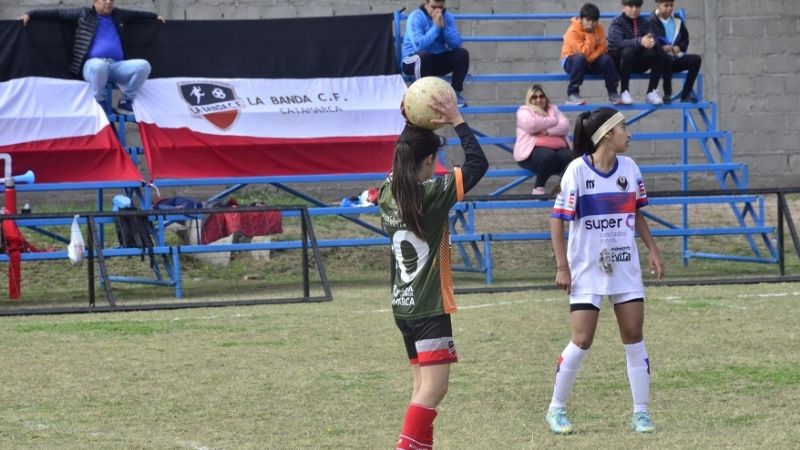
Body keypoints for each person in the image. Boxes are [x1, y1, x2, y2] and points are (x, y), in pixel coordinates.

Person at [546, 107, 665, 435]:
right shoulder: (576, 172)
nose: (629, 133)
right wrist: (562, 266)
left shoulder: (630, 168)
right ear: (607, 135)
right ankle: (556, 408)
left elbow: (637, 214)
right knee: (582, 339)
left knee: (634, 336)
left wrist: (652, 250)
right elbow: (557, 220)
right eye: (623, 127)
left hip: (625, 266)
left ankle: (641, 412)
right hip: (586, 270)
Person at [380, 92, 487, 449]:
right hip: (428, 307)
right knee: (434, 389)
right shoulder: (434, 193)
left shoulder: (386, 191)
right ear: (427, 161)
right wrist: (457, 119)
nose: (437, 166)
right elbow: (478, 163)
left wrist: (414, 119)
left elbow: (405, 152)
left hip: (403, 306)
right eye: (435, 159)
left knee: (420, 388)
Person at [19, 0, 166, 114]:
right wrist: (30, 14)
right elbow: (57, 13)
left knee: (143, 66)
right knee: (99, 66)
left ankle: (125, 102)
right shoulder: (84, 14)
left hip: (116, 66)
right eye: (104, 0)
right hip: (91, 67)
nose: (108, 2)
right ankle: (100, 102)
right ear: (94, 2)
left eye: (111, 0)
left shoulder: (119, 15)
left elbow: (138, 15)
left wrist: (155, 16)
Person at [401, 0, 470, 107]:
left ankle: (454, 95)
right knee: (423, 56)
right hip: (413, 60)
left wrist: (444, 28)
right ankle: (424, 97)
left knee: (462, 54)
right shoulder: (415, 17)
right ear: (426, 4)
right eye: (433, 7)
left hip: (435, 60)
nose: (437, 11)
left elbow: (456, 44)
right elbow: (419, 46)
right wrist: (436, 27)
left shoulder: (447, 17)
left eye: (440, 7)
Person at [513, 84, 572, 196]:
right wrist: (554, 121)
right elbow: (531, 125)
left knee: (571, 156)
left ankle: (564, 189)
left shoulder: (553, 109)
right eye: (534, 97)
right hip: (531, 152)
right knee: (548, 156)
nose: (539, 99)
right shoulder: (523, 111)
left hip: (557, 150)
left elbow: (565, 126)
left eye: (541, 96)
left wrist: (548, 131)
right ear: (529, 99)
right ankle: (538, 188)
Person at [561, 3, 622, 105]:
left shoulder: (599, 28)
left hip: (590, 61)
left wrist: (591, 58)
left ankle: (613, 92)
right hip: (571, 61)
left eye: (594, 21)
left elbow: (602, 47)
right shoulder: (573, 31)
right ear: (581, 19)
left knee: (607, 59)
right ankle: (572, 94)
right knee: (580, 59)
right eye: (588, 20)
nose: (591, 24)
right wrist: (589, 35)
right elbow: (583, 52)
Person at [607, 0, 666, 105]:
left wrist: (652, 42)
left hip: (637, 62)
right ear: (623, 7)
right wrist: (640, 41)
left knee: (658, 50)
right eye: (630, 6)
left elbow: (652, 36)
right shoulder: (617, 22)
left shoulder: (644, 22)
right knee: (628, 51)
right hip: (620, 63)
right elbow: (618, 43)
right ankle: (624, 91)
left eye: (637, 6)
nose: (634, 9)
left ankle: (651, 91)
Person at [648, 0, 702, 103]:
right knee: (666, 58)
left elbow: (685, 39)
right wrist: (662, 47)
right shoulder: (651, 21)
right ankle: (667, 93)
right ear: (658, 6)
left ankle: (686, 94)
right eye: (666, 5)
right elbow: (650, 40)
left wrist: (679, 47)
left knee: (696, 59)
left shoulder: (677, 20)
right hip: (659, 61)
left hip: (675, 57)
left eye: (671, 5)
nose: (669, 8)